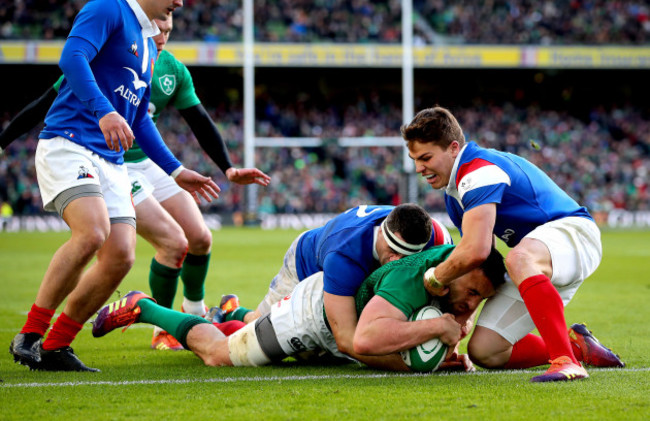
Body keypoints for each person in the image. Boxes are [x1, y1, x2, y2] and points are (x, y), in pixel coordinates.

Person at [0, 14, 271, 352]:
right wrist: (3, 140)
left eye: (169, 32)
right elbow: (46, 101)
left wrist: (225, 168)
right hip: (114, 162)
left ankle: (194, 312)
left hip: (148, 162)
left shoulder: (171, 70)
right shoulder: (113, 49)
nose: (163, 37)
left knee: (200, 238)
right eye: (159, 29)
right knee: (168, 244)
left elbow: (193, 120)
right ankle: (164, 327)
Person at [401, 106, 624, 382]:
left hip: (575, 234)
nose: (418, 168)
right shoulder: (454, 195)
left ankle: (565, 362)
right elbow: (482, 265)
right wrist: (454, 334)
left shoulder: (477, 171)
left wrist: (434, 277)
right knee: (486, 350)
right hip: (539, 259)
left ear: (453, 148)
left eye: (425, 158)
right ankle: (577, 348)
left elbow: (475, 250)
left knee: (518, 259)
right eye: (414, 160)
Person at [91, 244, 506, 371]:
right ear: (456, 269)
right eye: (470, 292)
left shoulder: (452, 274)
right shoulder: (411, 278)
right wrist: (434, 336)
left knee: (248, 325)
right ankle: (143, 307)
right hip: (312, 314)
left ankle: (234, 312)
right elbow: (365, 341)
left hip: (343, 324)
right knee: (220, 355)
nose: (470, 306)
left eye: (478, 300)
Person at [213, 203, 452, 361]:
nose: (395, 261)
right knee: (261, 329)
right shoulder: (344, 255)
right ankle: (229, 313)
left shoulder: (436, 236)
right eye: (392, 251)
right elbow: (348, 341)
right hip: (305, 265)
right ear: (381, 233)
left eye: (406, 256)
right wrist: (409, 365)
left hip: (347, 263)